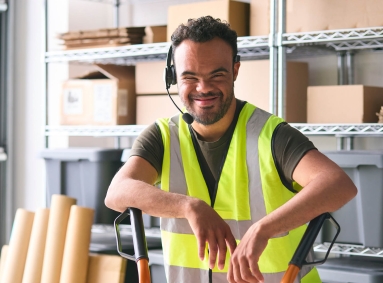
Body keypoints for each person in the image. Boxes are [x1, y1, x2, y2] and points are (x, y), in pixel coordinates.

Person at [105, 16, 357, 283]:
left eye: (217, 74)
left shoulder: (271, 135)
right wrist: (189, 206)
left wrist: (264, 229)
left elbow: (338, 185)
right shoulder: (162, 137)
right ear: (173, 77)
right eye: (190, 77)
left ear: (235, 70)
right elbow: (117, 192)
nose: (203, 88)